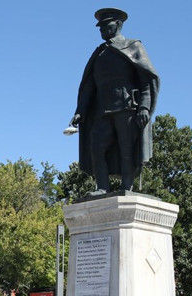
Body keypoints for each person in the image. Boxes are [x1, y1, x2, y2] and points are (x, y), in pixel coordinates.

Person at [69, 8, 160, 193]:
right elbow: (89, 87)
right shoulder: (99, 54)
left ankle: (127, 186)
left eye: (105, 24)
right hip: (102, 111)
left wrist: (144, 107)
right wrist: (80, 111)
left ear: (118, 24)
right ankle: (102, 187)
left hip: (126, 107)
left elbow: (147, 79)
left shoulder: (133, 46)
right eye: (100, 26)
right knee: (96, 148)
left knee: (127, 150)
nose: (101, 29)